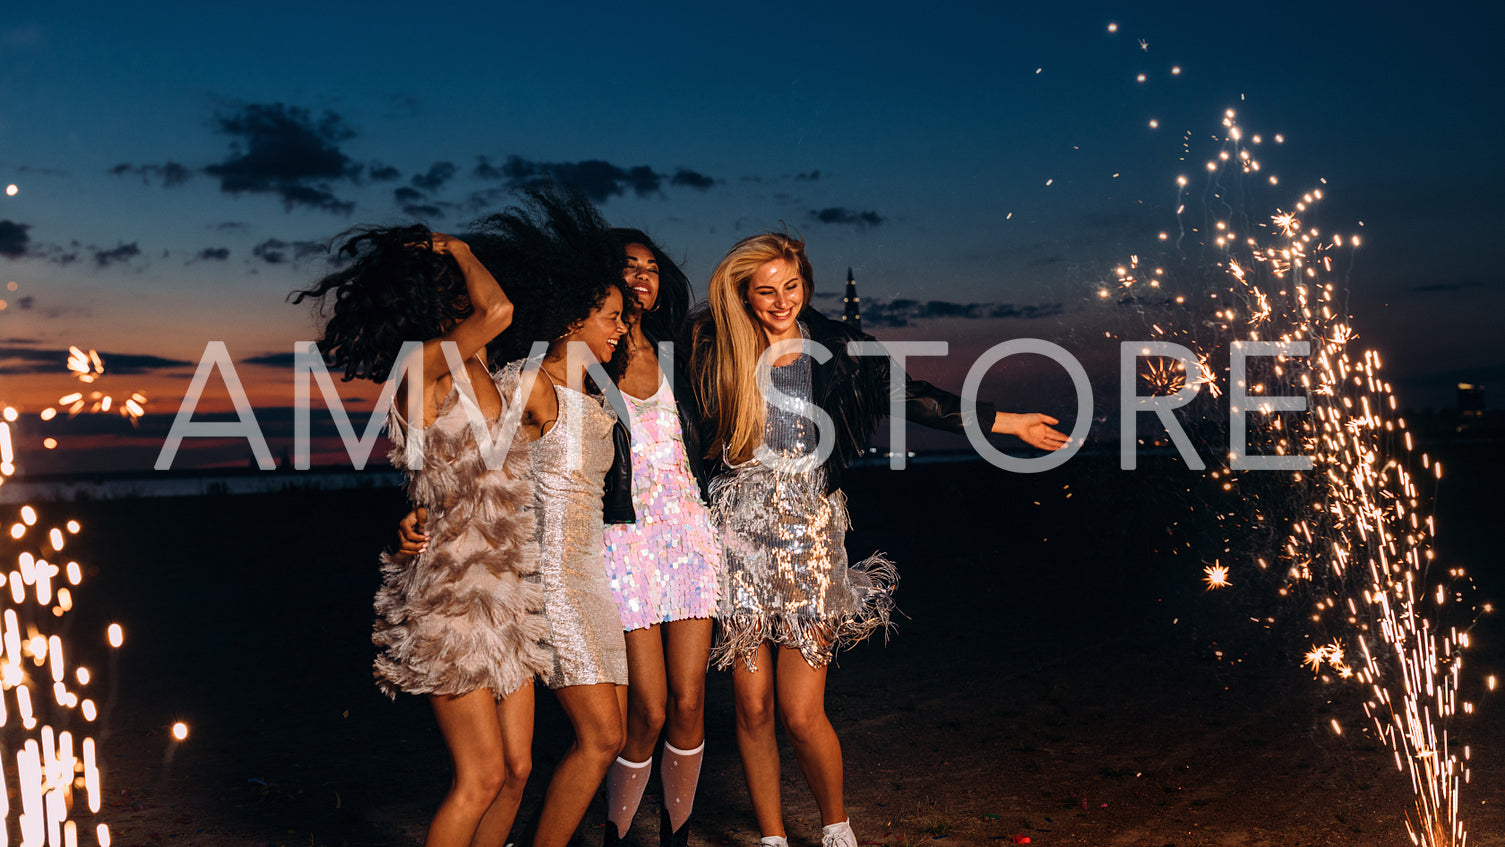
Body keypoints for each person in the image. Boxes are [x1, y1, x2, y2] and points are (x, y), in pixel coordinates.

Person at [689, 232, 1069, 847]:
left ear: (805, 283)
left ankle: (837, 830)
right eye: (766, 291)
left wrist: (1008, 422)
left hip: (809, 537)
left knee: (800, 710)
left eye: (791, 286)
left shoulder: (839, 346)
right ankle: (772, 838)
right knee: (752, 706)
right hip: (737, 538)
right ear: (743, 294)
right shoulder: (712, 348)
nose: (782, 301)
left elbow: (915, 396)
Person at [401, 229, 721, 847]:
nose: (620, 330)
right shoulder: (529, 383)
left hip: (594, 574)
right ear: (574, 318)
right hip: (545, 577)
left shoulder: (599, 392)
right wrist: (419, 510)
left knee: (535, 761)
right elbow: (464, 461)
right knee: (600, 736)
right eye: (609, 318)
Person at [293, 225, 550, 847]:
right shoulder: (422, 365)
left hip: (510, 589)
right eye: (459, 281)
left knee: (517, 772)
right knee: (481, 776)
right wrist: (459, 249)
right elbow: (501, 309)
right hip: (454, 592)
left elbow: (495, 462)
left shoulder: (487, 369)